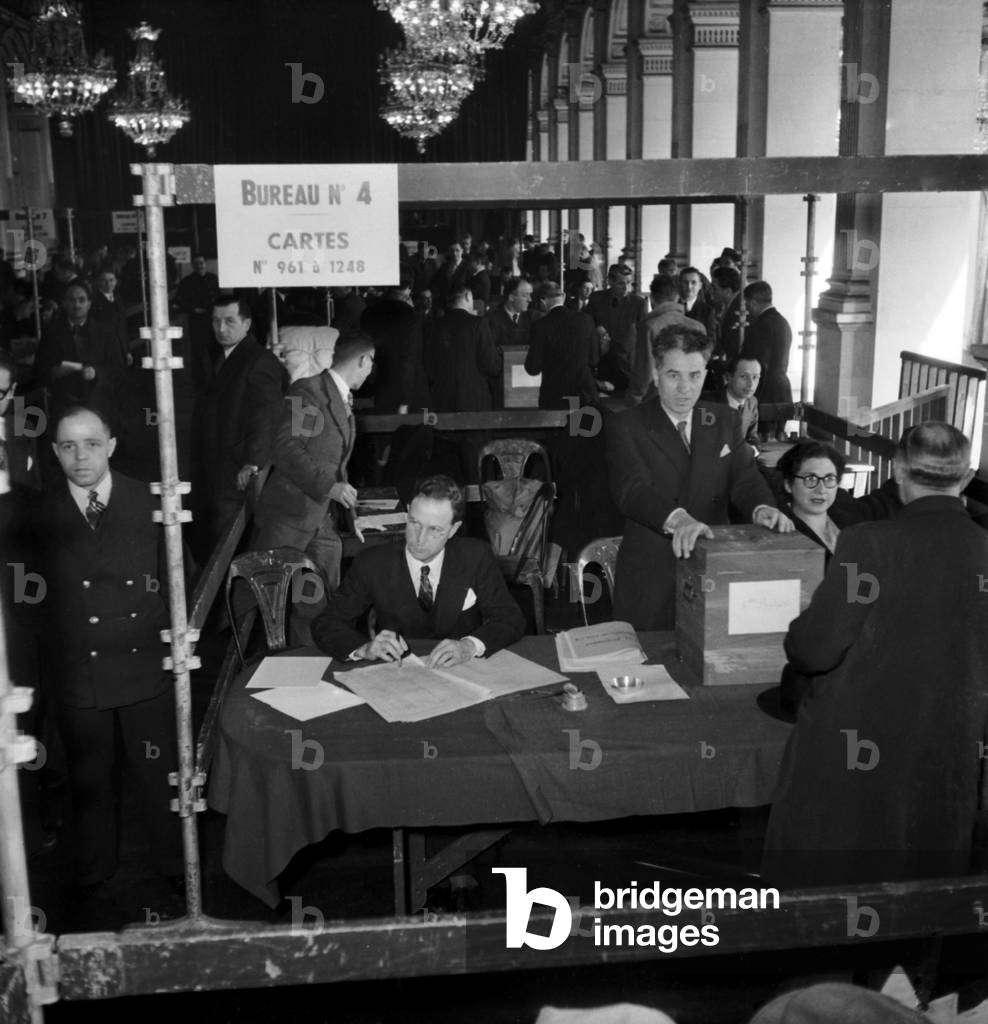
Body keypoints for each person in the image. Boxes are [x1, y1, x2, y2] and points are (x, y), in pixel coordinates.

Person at [761, 422, 988, 888]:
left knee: (837, 880)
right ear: (965, 479)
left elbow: (814, 650)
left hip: (858, 744)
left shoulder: (869, 543)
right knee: (923, 878)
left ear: (899, 471)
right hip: (946, 743)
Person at [40, 406, 183, 900]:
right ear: (55, 450)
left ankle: (176, 864)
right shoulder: (36, 511)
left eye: (91, 444)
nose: (80, 457)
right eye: (67, 446)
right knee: (89, 779)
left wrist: (171, 637)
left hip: (145, 661)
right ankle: (93, 872)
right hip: (82, 668)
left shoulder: (152, 500)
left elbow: (179, 578)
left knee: (159, 773)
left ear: (112, 444)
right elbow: (24, 600)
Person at [606, 324, 793, 631]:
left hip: (714, 568)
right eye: (673, 375)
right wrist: (679, 520)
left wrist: (762, 507)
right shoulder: (626, 425)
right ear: (655, 375)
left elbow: (744, 476)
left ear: (706, 375)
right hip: (652, 578)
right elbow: (632, 490)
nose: (684, 388)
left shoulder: (724, 420)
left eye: (694, 376)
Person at [312, 475, 525, 667]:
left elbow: (510, 619)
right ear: (407, 514)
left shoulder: (475, 556)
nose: (419, 539)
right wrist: (364, 648)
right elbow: (326, 623)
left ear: (453, 530)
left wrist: (469, 646)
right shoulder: (372, 563)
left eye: (435, 530)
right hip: (398, 673)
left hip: (463, 670)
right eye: (415, 523)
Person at [252, 333, 375, 598]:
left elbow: (334, 462)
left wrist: (349, 515)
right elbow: (287, 448)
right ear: (364, 359)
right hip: (290, 518)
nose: (371, 370)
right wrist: (330, 487)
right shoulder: (308, 391)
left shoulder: (339, 398)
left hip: (321, 519)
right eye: (372, 362)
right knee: (272, 605)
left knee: (320, 601)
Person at [193, 293, 287, 551]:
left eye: (230, 321)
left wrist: (253, 462)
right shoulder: (221, 356)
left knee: (230, 543)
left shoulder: (260, 360)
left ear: (247, 324)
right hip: (220, 467)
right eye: (216, 321)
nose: (221, 329)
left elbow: (266, 416)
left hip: (239, 471)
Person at [35, 280, 125, 428]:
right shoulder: (52, 333)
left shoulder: (106, 332)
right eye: (71, 300)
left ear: (89, 303)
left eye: (81, 300)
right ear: (63, 303)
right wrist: (54, 372)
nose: (77, 305)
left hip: (99, 404)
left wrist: (97, 372)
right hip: (64, 407)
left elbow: (118, 368)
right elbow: (38, 370)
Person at [524, 281, 599, 410]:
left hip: (555, 396)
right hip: (585, 393)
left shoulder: (541, 326)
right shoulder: (586, 320)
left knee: (559, 430)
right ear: (563, 297)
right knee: (582, 429)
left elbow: (533, 368)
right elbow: (594, 359)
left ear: (542, 301)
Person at [628, 274, 699, 406]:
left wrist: (635, 397)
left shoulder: (650, 326)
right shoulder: (698, 327)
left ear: (652, 298)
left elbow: (645, 371)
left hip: (657, 398)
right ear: (677, 297)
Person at [740, 281, 793, 441]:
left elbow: (757, 363)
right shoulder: (783, 322)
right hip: (782, 388)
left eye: (747, 303)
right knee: (778, 438)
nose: (746, 308)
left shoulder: (761, 326)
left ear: (754, 302)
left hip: (765, 390)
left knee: (762, 441)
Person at [586, 264, 648, 394]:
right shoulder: (596, 299)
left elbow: (643, 336)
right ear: (610, 281)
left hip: (627, 366)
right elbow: (586, 325)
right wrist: (597, 328)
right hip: (601, 363)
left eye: (629, 283)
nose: (626, 288)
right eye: (621, 283)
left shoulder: (639, 303)